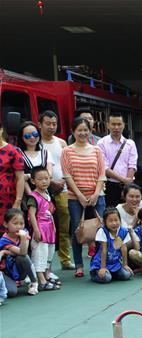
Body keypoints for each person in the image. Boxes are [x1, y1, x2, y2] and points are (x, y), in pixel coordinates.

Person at [62, 117, 106, 277]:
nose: (82, 133)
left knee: (101, 229)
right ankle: (79, 265)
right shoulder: (67, 151)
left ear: (90, 131)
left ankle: (101, 262)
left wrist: (96, 193)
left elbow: (102, 174)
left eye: (85, 130)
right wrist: (79, 195)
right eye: (79, 130)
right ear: (73, 131)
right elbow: (67, 175)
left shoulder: (97, 150)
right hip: (75, 197)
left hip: (97, 195)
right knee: (77, 230)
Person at [38, 110, 72, 270]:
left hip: (63, 189)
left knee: (64, 227)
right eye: (48, 124)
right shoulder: (36, 143)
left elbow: (68, 166)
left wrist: (62, 182)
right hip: (43, 192)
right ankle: (44, 263)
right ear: (39, 124)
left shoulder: (62, 143)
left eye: (54, 124)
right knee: (45, 226)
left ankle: (65, 260)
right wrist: (50, 182)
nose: (52, 127)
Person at [25, 166, 60, 290]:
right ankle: (41, 281)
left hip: (49, 230)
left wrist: (54, 227)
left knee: (48, 254)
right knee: (39, 254)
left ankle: (46, 277)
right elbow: (31, 215)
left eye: (46, 178)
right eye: (40, 179)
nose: (44, 181)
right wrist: (36, 230)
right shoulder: (33, 197)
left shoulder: (47, 194)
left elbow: (50, 213)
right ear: (33, 181)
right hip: (40, 230)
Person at [98, 112, 138, 208]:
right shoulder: (101, 143)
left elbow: (132, 165)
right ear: (107, 125)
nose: (116, 127)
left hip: (128, 186)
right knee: (112, 215)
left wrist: (127, 185)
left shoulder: (130, 143)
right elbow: (104, 168)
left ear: (124, 125)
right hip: (110, 186)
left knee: (129, 213)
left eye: (119, 124)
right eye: (113, 124)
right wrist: (124, 180)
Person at [1, 208, 40, 296]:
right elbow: (22, 251)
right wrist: (23, 239)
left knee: (22, 257)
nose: (19, 226)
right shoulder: (4, 240)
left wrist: (5, 252)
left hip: (19, 270)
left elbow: (23, 253)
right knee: (12, 293)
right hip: (7, 273)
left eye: (21, 223)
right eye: (15, 223)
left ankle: (34, 282)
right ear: (6, 224)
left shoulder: (24, 232)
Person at [90, 208, 133, 284]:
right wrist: (103, 268)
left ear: (120, 220)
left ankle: (112, 273)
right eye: (110, 221)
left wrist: (125, 265)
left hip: (115, 264)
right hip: (100, 263)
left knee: (127, 275)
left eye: (116, 220)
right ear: (104, 222)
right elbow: (104, 249)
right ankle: (94, 274)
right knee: (106, 278)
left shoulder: (123, 231)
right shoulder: (102, 231)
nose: (114, 223)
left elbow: (124, 248)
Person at [0, 122, 26, 231]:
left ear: (1, 130)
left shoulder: (12, 150)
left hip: (6, 200)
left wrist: (18, 201)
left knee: (7, 232)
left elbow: (20, 177)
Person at [17, 121, 51, 189]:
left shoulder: (45, 153)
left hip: (46, 193)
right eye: (27, 135)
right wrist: (32, 195)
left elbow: (49, 174)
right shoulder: (18, 154)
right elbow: (19, 177)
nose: (32, 137)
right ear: (22, 137)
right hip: (27, 194)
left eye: (35, 134)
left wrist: (29, 176)